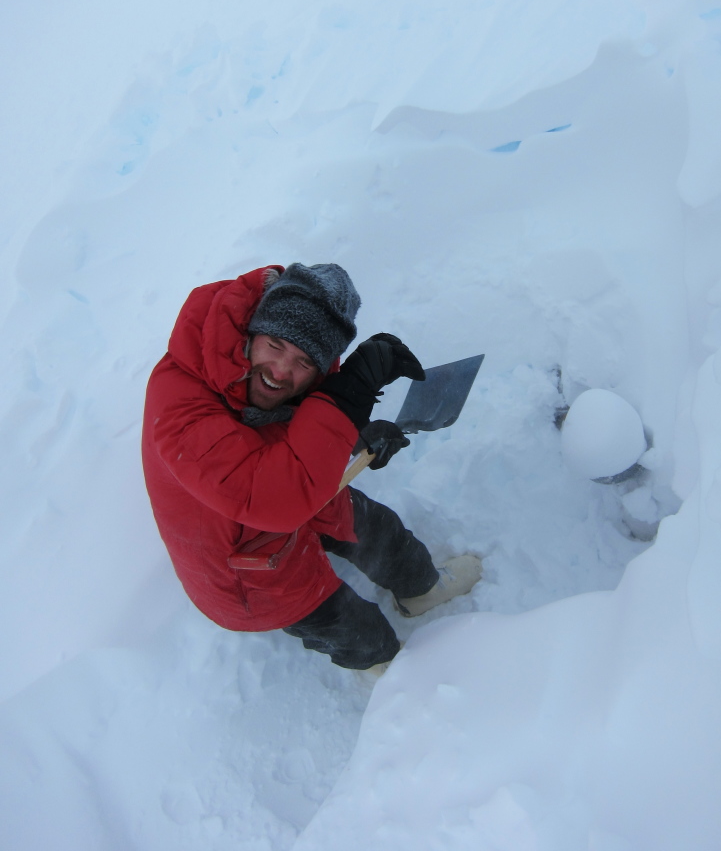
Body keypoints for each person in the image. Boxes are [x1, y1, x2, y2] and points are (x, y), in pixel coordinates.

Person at [142, 262, 481, 672]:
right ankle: (382, 671)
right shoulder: (181, 399)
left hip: (288, 487)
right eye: (275, 345)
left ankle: (422, 590)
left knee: (381, 530)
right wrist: (344, 402)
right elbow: (273, 498)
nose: (282, 371)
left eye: (304, 362)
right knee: (355, 626)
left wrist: (355, 435)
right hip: (243, 563)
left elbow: (298, 433)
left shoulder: (286, 380)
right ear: (250, 331)